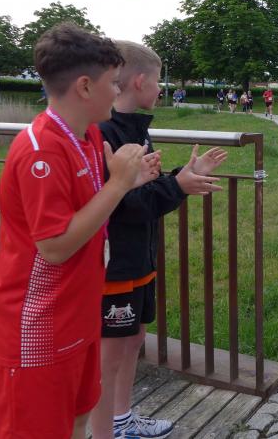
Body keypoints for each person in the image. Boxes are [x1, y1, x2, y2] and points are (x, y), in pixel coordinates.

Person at [0, 23, 160, 438]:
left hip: (79, 312)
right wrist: (117, 185)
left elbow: (87, 206)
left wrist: (127, 183)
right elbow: (55, 246)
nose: (117, 92)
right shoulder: (41, 151)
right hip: (37, 324)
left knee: (78, 417)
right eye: (112, 83)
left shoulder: (88, 135)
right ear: (84, 86)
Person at [91, 40, 227, 439]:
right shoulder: (105, 133)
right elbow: (121, 204)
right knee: (111, 351)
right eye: (158, 80)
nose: (161, 89)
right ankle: (106, 428)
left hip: (140, 257)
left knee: (133, 337)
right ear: (139, 81)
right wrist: (178, 186)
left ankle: (122, 418)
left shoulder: (135, 129)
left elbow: (141, 189)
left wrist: (180, 177)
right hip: (115, 263)